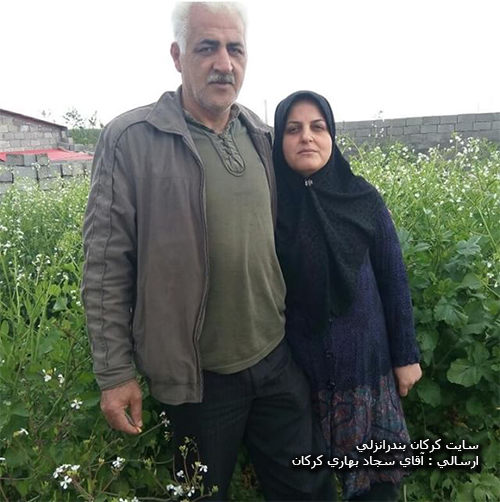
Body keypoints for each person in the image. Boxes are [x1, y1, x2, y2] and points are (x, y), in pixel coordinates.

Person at [82, 4, 332, 501]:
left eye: (235, 49)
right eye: (207, 48)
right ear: (177, 56)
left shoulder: (262, 135)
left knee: (308, 489)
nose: (224, 63)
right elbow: (106, 265)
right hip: (198, 382)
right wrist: (114, 373)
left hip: (276, 359)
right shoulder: (132, 140)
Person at [272, 90, 422, 502]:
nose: (306, 137)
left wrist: (406, 356)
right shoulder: (269, 208)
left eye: (317, 127)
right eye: (293, 129)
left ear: (332, 136)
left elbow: (394, 279)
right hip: (299, 379)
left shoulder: (363, 198)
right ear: (279, 141)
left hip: (367, 374)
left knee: (377, 488)